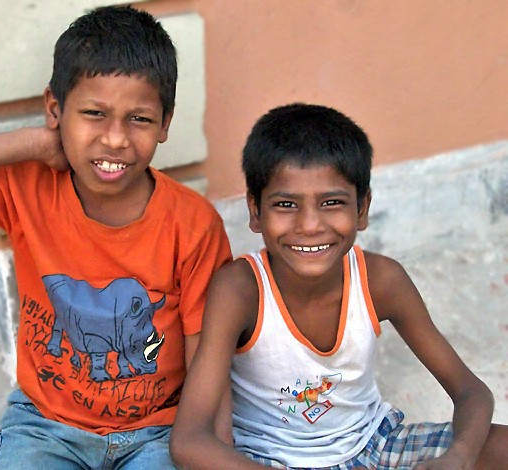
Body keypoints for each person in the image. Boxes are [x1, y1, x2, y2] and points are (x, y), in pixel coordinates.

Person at [0, 5, 232, 469]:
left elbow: (208, 360)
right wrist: (34, 142)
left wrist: (217, 452)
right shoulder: (25, 190)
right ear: (55, 108)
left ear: (165, 122)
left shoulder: (193, 225)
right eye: (93, 114)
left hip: (158, 431)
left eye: (139, 119)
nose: (115, 139)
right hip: (46, 424)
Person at [170, 103, 508, 469]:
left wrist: (458, 458)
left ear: (362, 209)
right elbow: (190, 439)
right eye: (286, 204)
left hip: (372, 447)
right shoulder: (241, 289)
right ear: (255, 211)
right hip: (269, 460)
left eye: (332, 203)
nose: (310, 225)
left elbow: (471, 391)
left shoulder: (381, 280)